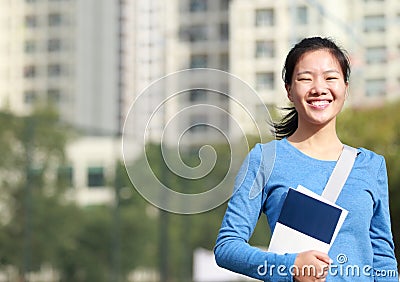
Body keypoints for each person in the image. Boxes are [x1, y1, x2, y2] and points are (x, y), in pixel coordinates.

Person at [214, 37, 398, 281]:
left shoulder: (371, 165)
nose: (319, 88)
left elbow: (383, 258)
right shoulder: (265, 159)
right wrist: (288, 266)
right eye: (305, 78)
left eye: (330, 77)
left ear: (345, 86)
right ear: (289, 89)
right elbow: (227, 247)